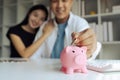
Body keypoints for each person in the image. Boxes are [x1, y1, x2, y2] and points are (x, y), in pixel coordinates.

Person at [30, 0, 100, 59]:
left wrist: (90, 47)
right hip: (48, 70)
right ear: (50, 4)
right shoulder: (44, 26)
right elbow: (34, 55)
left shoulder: (79, 23)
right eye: (55, 1)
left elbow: (87, 52)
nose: (59, 5)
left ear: (71, 2)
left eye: (64, 0)